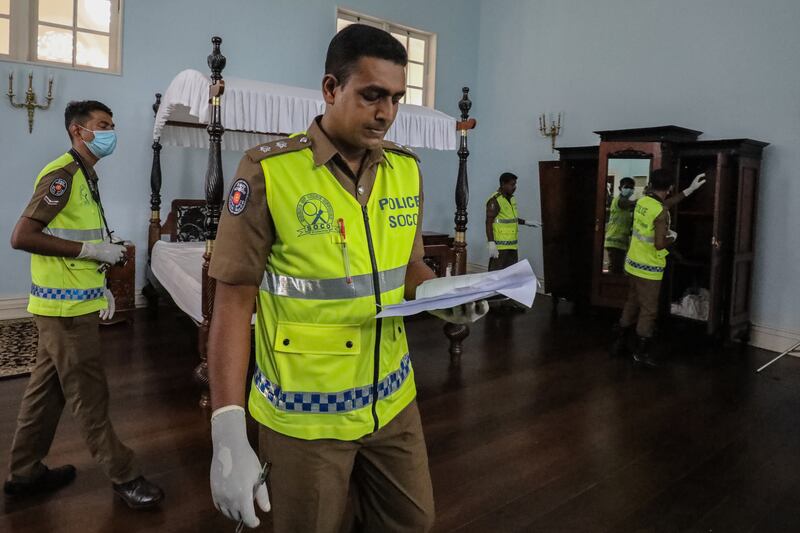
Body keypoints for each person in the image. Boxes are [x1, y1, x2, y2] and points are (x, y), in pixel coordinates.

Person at [206, 24, 488, 532]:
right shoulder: (269, 172)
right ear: (331, 89)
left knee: (412, 523)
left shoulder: (406, 170)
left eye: (397, 99)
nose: (387, 113)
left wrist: (439, 295)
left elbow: (409, 267)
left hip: (394, 403)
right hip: (304, 419)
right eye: (372, 95)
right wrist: (227, 429)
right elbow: (231, 306)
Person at [4, 101, 164, 509]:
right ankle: (124, 476)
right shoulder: (64, 174)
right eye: (103, 125)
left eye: (112, 124)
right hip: (66, 313)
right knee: (89, 395)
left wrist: (101, 281)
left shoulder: (85, 176)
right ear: (79, 131)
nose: (111, 132)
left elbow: (79, 237)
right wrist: (91, 250)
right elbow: (22, 235)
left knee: (46, 391)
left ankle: (25, 474)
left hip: (70, 304)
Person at [610, 168, 706, 367]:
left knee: (632, 302)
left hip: (633, 263)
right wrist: (673, 236)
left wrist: (690, 190)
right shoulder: (659, 211)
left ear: (651, 184)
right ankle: (641, 352)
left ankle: (619, 343)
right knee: (649, 310)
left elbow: (662, 206)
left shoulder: (643, 202)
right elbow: (660, 244)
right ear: (670, 187)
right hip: (649, 268)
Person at [485, 172, 538, 272]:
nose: (514, 187)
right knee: (496, 275)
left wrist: (526, 222)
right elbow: (488, 223)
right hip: (500, 246)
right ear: (503, 184)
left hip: (512, 245)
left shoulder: (511, 199)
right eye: (512, 184)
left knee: (510, 274)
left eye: (515, 184)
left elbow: (510, 219)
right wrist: (491, 243)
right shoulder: (494, 201)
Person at [604, 177, 636, 274]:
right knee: (615, 271)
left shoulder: (627, 205)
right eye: (626, 187)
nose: (629, 189)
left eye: (631, 187)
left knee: (617, 269)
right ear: (620, 188)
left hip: (620, 242)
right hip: (614, 241)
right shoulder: (620, 201)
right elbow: (631, 203)